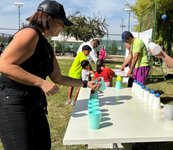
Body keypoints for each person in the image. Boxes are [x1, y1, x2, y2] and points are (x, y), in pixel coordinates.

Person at [0, 1, 101, 150]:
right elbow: (4, 64)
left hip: (33, 103)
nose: (63, 27)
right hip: (12, 102)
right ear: (49, 19)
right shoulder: (30, 33)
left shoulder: (46, 45)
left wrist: (86, 84)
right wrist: (41, 83)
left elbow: (58, 77)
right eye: (61, 23)